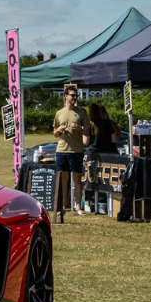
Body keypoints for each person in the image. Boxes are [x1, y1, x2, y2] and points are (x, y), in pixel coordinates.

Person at [53, 87, 91, 215]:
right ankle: (64, 206)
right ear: (65, 96)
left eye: (76, 96)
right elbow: (54, 133)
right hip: (61, 150)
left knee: (77, 179)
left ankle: (78, 207)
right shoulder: (59, 113)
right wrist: (59, 130)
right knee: (63, 179)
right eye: (72, 95)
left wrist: (80, 128)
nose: (75, 98)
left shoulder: (81, 112)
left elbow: (87, 130)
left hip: (76, 150)